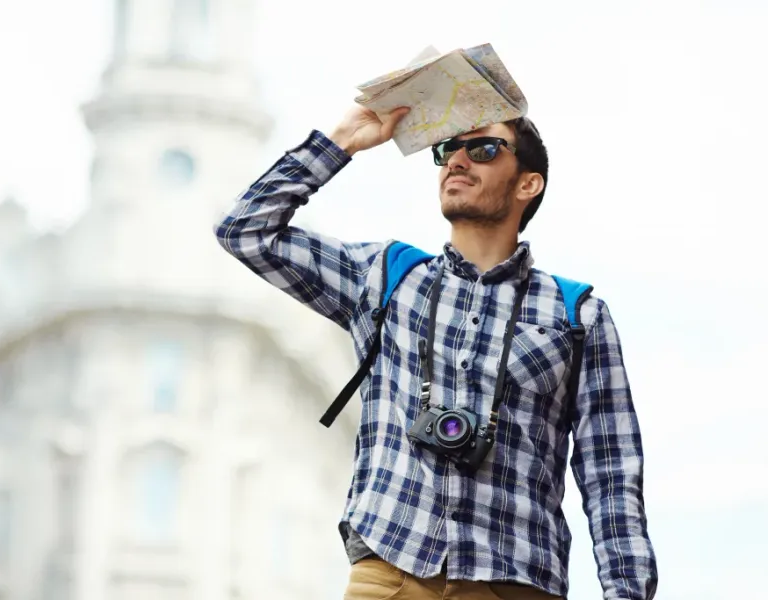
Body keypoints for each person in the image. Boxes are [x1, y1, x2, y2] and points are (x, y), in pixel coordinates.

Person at [213, 105, 657, 600]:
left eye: (483, 149)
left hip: (515, 578)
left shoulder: (578, 315)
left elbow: (612, 475)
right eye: (448, 150)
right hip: (390, 568)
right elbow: (244, 230)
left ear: (528, 184)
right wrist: (341, 143)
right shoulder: (384, 277)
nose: (457, 161)